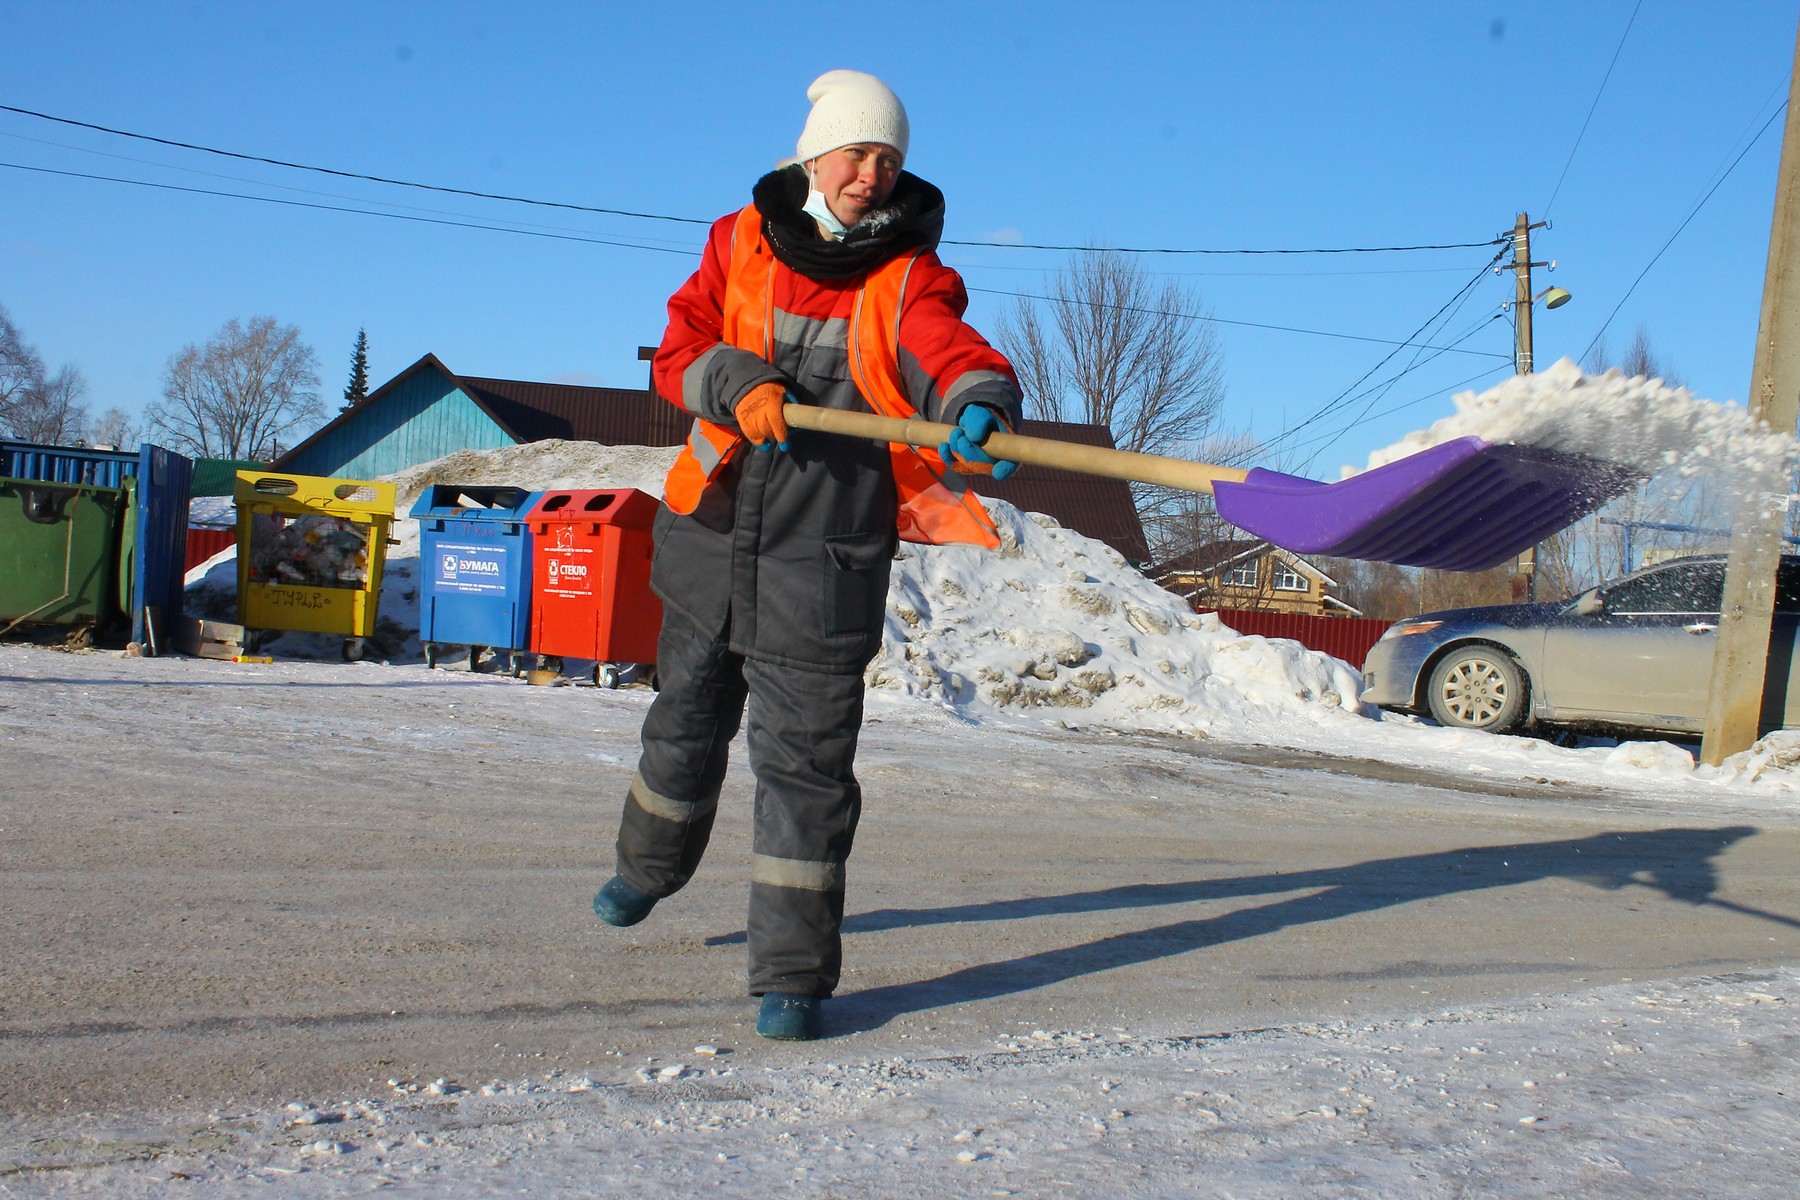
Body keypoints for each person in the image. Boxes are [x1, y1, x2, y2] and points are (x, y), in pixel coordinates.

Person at [592, 69, 1023, 1042]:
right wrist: (738, 380)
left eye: (888, 159)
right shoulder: (736, 241)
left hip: (822, 551)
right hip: (715, 530)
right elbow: (678, 350)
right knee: (683, 725)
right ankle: (646, 870)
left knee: (807, 774)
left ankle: (791, 976)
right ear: (813, 156)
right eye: (856, 153)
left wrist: (976, 400)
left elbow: (946, 348)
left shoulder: (906, 273)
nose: (871, 174)